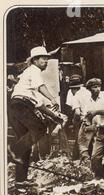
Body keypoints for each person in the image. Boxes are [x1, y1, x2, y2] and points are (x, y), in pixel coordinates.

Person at [7, 46, 65, 184]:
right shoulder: (34, 70)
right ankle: (12, 150)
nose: (46, 61)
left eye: (47, 58)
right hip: (21, 105)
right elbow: (41, 87)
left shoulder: (27, 82)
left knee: (25, 144)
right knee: (40, 129)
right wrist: (52, 98)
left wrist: (55, 117)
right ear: (35, 60)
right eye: (43, 58)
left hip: (15, 108)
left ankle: (21, 180)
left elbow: (39, 105)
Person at [66, 74, 89, 160]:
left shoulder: (82, 93)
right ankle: (76, 158)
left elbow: (77, 112)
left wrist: (74, 121)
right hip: (84, 117)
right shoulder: (71, 92)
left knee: (80, 140)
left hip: (83, 118)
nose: (72, 90)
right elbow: (70, 107)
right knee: (80, 139)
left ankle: (78, 158)